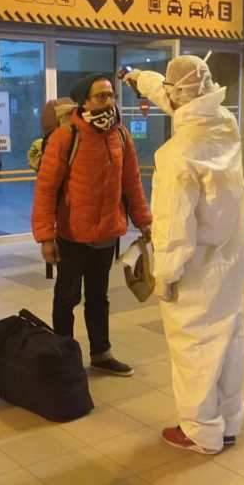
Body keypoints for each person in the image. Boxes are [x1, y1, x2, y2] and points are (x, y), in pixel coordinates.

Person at [121, 55, 244, 454]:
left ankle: (200, 431)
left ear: (177, 95)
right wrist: (140, 79)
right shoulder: (224, 125)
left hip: (195, 270)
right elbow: (182, 101)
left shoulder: (176, 155)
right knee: (228, 340)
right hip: (231, 262)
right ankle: (228, 421)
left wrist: (165, 275)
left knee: (194, 348)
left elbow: (174, 226)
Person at [31, 74, 152, 377]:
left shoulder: (120, 135)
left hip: (107, 235)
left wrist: (145, 222)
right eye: (101, 96)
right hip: (72, 235)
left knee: (99, 298)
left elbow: (132, 184)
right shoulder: (66, 136)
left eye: (111, 95)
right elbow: (46, 189)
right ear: (84, 101)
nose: (108, 101)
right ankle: (64, 357)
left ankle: (101, 354)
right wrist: (46, 237)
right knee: (66, 298)